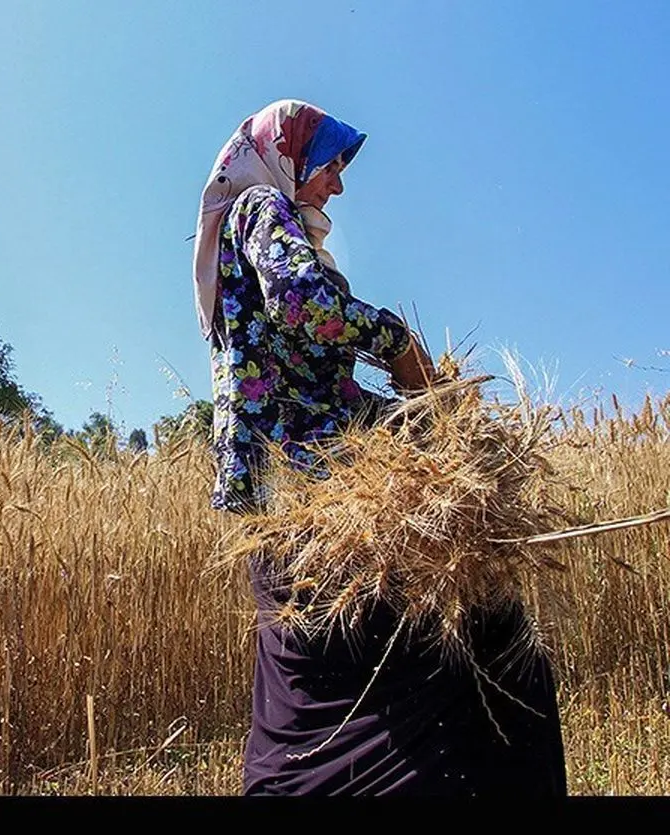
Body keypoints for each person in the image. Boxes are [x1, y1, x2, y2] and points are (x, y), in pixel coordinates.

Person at [192, 99, 568, 796]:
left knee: (313, 702)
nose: (337, 184)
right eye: (330, 165)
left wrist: (413, 417)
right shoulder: (258, 208)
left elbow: (311, 388)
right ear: (289, 156)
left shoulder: (261, 231)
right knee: (468, 645)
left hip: (291, 510)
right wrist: (399, 344)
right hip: (312, 502)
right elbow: (303, 304)